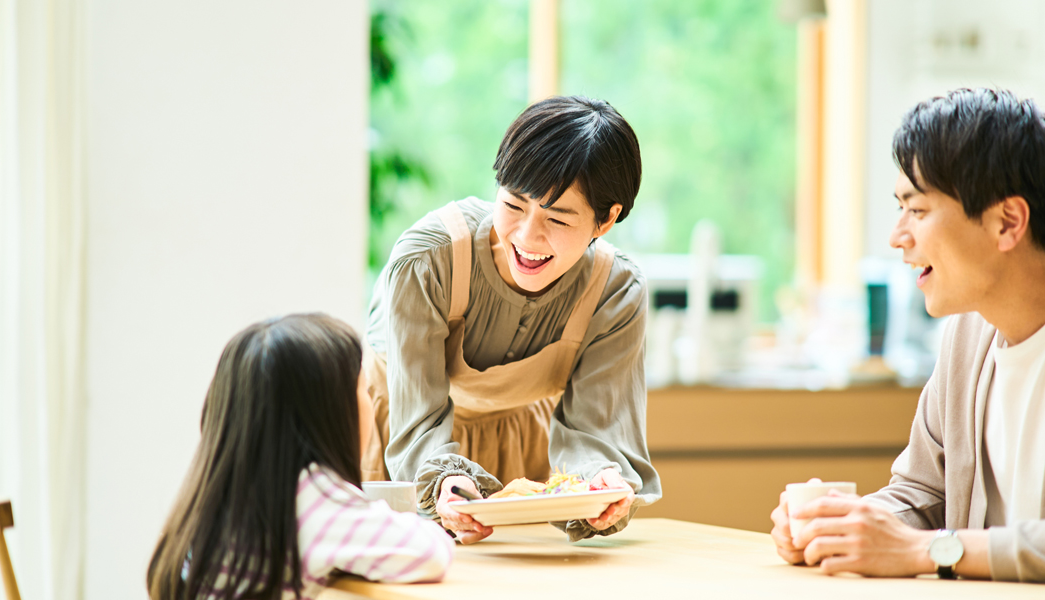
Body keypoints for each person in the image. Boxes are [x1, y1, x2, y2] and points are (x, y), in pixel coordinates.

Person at [769, 88, 1045, 584]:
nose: (897, 235)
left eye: (917, 211)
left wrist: (933, 550)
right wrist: (838, 529)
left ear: (1007, 222)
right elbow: (918, 497)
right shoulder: (967, 336)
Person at [364, 95, 662, 543]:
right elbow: (417, 416)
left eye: (557, 218)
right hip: (400, 436)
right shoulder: (429, 259)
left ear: (606, 220)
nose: (526, 236)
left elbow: (594, 430)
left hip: (518, 438)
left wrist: (600, 481)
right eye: (514, 204)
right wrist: (443, 483)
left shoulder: (616, 291)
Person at [147, 314, 453, 600]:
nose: (371, 401)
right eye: (364, 389)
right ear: (329, 414)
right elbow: (432, 552)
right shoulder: (312, 495)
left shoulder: (219, 493)